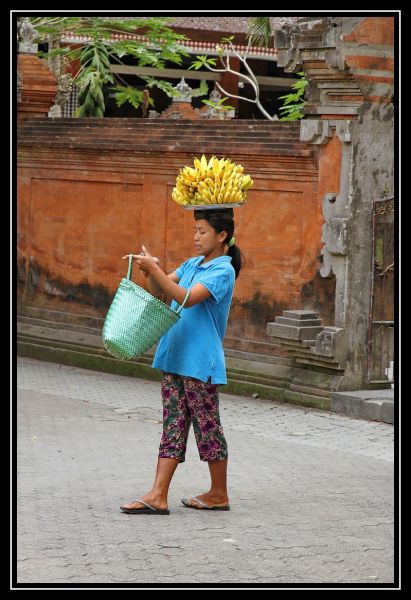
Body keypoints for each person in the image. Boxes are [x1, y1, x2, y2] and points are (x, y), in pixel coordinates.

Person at [120, 208, 244, 515]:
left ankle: (218, 493)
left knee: (207, 427)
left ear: (221, 235)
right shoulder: (192, 264)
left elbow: (187, 297)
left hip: (200, 363)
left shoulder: (222, 271)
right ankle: (158, 495)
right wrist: (151, 271)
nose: (196, 237)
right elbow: (161, 293)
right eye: (195, 231)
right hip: (173, 356)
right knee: (172, 425)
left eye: (202, 231)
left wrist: (158, 271)